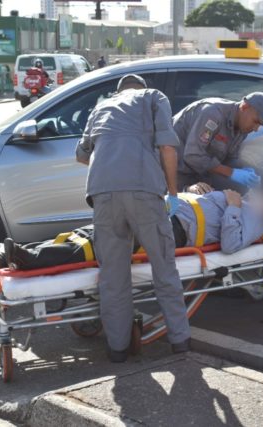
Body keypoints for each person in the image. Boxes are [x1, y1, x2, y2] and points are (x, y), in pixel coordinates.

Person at [75, 74, 190, 363]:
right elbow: (167, 147)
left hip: (102, 193)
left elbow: (81, 155)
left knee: (113, 276)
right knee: (163, 266)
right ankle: (180, 341)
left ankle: (118, 349)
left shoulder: (101, 107)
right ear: (140, 88)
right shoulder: (153, 97)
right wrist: (173, 193)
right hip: (144, 191)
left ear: (120, 91)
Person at [0, 185, 263, 270]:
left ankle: (28, 258)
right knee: (89, 232)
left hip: (172, 230)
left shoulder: (257, 218)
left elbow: (231, 243)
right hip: (164, 213)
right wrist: (196, 191)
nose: (259, 191)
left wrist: (234, 207)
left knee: (101, 242)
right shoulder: (239, 201)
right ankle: (12, 252)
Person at [172, 92, 263, 193]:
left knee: (242, 190)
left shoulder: (242, 128)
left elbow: (229, 159)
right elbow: (192, 156)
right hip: (172, 174)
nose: (256, 129)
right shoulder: (213, 114)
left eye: (260, 125)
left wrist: (243, 171)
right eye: (255, 121)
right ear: (244, 107)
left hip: (198, 175)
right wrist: (231, 172)